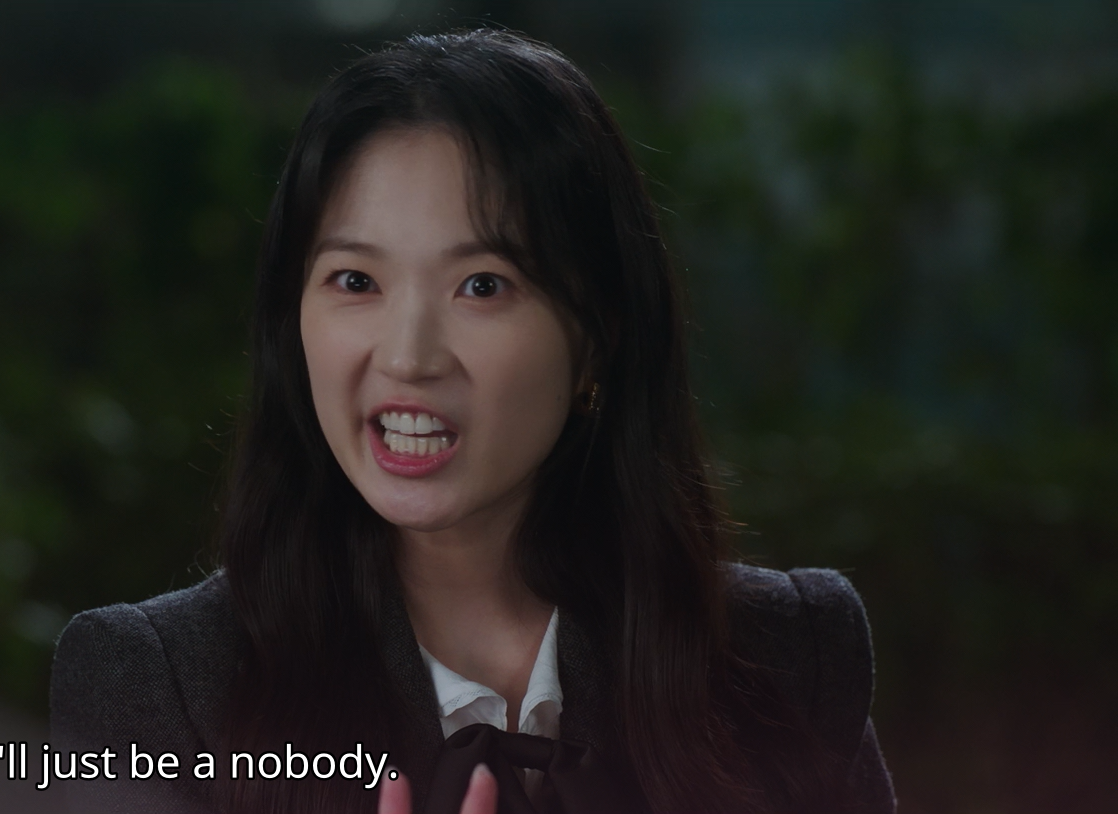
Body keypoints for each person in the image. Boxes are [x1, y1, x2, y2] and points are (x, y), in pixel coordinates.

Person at [50, 29, 894, 814]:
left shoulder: (786, 657)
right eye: (355, 281)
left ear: (597, 338)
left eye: (482, 285)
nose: (408, 356)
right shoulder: (160, 687)